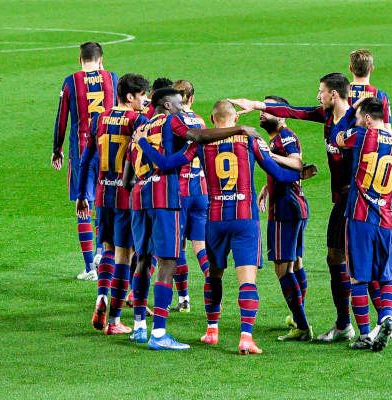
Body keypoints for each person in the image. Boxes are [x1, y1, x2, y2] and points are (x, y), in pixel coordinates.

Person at [137, 100, 301, 354]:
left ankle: (211, 330)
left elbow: (168, 164)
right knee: (247, 281)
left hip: (215, 221)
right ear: (235, 120)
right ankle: (246, 337)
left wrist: (143, 143)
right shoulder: (251, 141)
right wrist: (300, 174)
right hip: (245, 219)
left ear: (213, 121)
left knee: (213, 275)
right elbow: (279, 174)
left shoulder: (200, 144)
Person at [230, 72, 359, 343]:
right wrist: (257, 105)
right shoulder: (327, 117)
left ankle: (364, 323)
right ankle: (343, 323)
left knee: (352, 262)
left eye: (321, 91)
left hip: (355, 198)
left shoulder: (354, 122)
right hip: (340, 199)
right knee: (335, 258)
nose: (318, 96)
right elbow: (291, 110)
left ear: (334, 94)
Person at [128, 86, 252, 350]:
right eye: (179, 104)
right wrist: (237, 130)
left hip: (139, 197)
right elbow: (194, 136)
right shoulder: (172, 121)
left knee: (142, 259)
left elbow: (129, 176)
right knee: (168, 261)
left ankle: (139, 326)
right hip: (165, 197)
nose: (183, 109)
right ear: (168, 105)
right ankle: (159, 333)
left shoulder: (143, 126)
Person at [76, 73, 151, 335]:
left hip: (101, 194)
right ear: (130, 96)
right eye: (142, 96)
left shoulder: (99, 118)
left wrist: (81, 194)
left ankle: (103, 296)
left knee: (107, 249)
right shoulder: (137, 120)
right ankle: (114, 320)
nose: (145, 100)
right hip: (125, 196)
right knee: (124, 255)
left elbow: (86, 159)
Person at [334, 98, 392, 351]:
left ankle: (365, 334)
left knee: (358, 279)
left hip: (360, 218)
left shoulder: (362, 135)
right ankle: (386, 317)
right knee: (387, 276)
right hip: (387, 220)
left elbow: (338, 138)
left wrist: (349, 113)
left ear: (367, 119)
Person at [53, 42, 118, 280]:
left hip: (82, 152)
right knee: (104, 201)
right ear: (101, 59)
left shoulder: (71, 81)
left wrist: (56, 149)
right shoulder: (112, 78)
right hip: (110, 150)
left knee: (83, 204)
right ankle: (103, 252)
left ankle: (90, 266)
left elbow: (62, 118)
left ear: (79, 59)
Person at [256, 97, 312, 341]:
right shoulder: (278, 138)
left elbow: (297, 164)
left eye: (268, 109)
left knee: (282, 268)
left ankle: (301, 325)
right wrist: (267, 188)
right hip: (294, 205)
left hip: (285, 209)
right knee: (296, 262)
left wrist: (269, 155)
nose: (262, 113)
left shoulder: (285, 136)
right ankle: (297, 315)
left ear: (281, 115)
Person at [171, 79, 208, 313]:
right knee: (201, 246)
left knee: (178, 247)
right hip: (201, 189)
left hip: (180, 190)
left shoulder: (174, 121)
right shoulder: (201, 121)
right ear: (192, 98)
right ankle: (214, 291)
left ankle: (184, 299)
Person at [347, 49, 391, 118]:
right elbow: (387, 127)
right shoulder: (380, 96)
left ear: (350, 68)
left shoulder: (339, 94)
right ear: (372, 68)